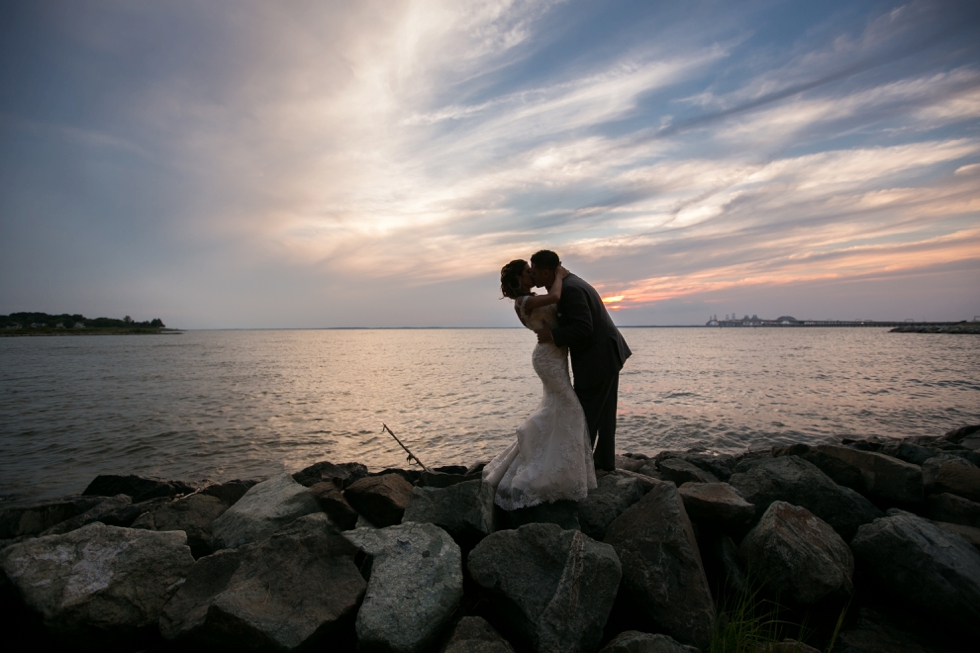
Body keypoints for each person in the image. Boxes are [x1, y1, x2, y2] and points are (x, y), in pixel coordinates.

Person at [482, 259, 598, 510]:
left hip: (554, 357)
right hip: (548, 358)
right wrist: (559, 274)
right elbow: (556, 295)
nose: (531, 273)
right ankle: (552, 468)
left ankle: (557, 465)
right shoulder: (524, 302)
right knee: (570, 408)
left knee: (560, 408)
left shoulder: (529, 298)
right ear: (518, 280)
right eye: (527, 272)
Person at [529, 250, 631, 471]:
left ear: (546, 273)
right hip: (607, 353)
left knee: (586, 417)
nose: (532, 275)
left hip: (598, 359)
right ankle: (603, 465)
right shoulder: (566, 284)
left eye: (534, 272)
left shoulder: (570, 289)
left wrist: (552, 336)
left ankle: (578, 470)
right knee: (603, 415)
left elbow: (584, 326)